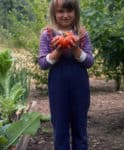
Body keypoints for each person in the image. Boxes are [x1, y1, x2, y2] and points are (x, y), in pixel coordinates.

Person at [38, 0, 94, 149]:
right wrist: (58, 51)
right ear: (54, 13)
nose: (65, 15)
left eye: (69, 11)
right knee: (60, 127)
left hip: (80, 86)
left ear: (75, 12)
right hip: (58, 86)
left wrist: (76, 49)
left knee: (80, 126)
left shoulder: (81, 34)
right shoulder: (47, 35)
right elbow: (43, 64)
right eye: (60, 11)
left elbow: (89, 62)